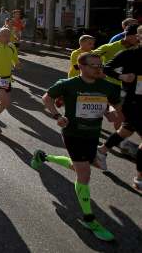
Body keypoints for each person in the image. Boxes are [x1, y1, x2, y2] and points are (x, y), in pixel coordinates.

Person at [31, 52, 122, 242]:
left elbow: (112, 104)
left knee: (78, 166)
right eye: (94, 66)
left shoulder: (107, 86)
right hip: (73, 134)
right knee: (84, 174)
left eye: (100, 65)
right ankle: (89, 219)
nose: (99, 69)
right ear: (81, 67)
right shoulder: (69, 84)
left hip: (92, 134)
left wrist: (111, 113)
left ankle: (43, 157)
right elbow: (46, 97)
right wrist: (57, 116)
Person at [95, 24, 141, 191]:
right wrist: (122, 76)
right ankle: (139, 179)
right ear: (139, 37)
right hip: (132, 101)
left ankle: (101, 150)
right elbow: (107, 67)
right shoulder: (129, 54)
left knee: (126, 130)